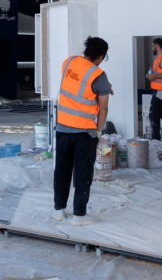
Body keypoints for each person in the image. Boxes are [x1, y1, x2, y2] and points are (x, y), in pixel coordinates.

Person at [53, 36, 111, 226]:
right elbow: (103, 109)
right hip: (84, 133)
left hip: (62, 127)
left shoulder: (68, 62)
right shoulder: (99, 76)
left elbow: (77, 84)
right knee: (83, 174)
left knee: (62, 170)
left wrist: (105, 88)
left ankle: (58, 210)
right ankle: (79, 216)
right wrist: (99, 131)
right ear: (100, 56)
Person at [145, 37, 162, 141]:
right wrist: (150, 75)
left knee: (153, 117)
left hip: (161, 93)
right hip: (158, 92)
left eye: (152, 46)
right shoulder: (157, 60)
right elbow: (153, 73)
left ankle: (156, 142)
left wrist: (154, 76)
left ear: (157, 46)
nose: (152, 48)